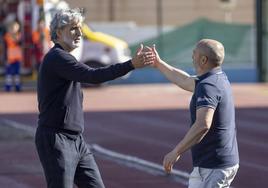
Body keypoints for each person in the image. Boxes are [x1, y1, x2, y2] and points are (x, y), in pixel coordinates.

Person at [35, 8, 155, 188]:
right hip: (56, 140)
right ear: (59, 32)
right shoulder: (57, 58)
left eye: (80, 28)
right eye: (73, 28)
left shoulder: (66, 58)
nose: (79, 33)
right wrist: (131, 64)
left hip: (76, 141)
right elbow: (94, 76)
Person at [150, 39, 239, 188]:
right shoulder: (217, 78)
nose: (192, 57)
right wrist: (159, 64)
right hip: (217, 163)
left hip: (213, 166)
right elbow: (184, 80)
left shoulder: (208, 86)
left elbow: (203, 124)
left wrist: (176, 152)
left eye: (194, 54)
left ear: (203, 59)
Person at [3, 20, 22, 92]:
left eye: (16, 27)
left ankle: (18, 87)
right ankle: (8, 87)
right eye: (13, 27)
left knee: (17, 73)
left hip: (17, 58)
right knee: (9, 73)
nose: (14, 28)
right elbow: (5, 46)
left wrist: (15, 37)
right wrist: (5, 58)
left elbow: (20, 43)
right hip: (10, 58)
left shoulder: (19, 35)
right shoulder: (7, 36)